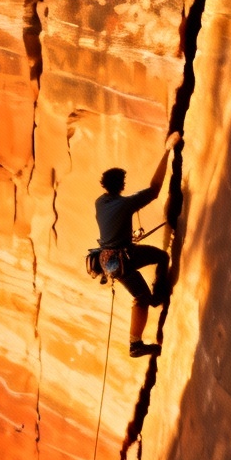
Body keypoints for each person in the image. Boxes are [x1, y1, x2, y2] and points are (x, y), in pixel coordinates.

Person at [95, 132, 180, 357]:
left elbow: (113, 224)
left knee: (141, 294)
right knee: (160, 261)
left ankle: (150, 308)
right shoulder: (125, 204)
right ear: (121, 185)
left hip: (108, 261)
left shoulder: (100, 202)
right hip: (125, 259)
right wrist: (167, 151)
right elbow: (154, 189)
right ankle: (138, 340)